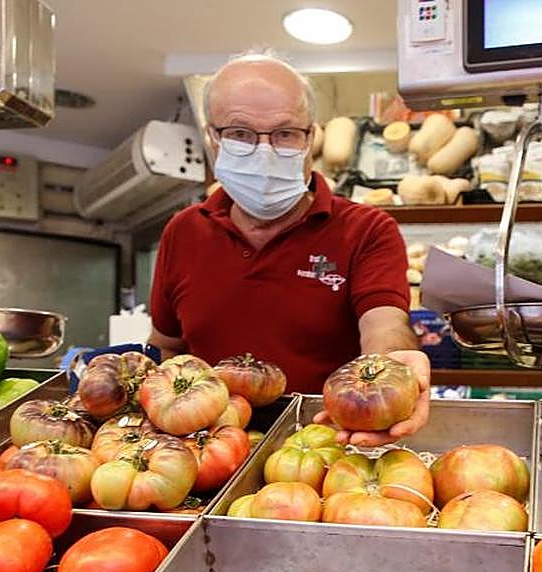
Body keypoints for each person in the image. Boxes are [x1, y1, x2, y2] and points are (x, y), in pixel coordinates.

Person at [148, 52, 429, 446]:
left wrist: (393, 365)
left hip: (326, 450)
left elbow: (384, 324)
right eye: (241, 133)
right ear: (213, 138)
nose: (264, 151)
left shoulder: (367, 229)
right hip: (204, 455)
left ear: (310, 138)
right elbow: (166, 347)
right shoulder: (184, 231)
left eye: (284, 133)